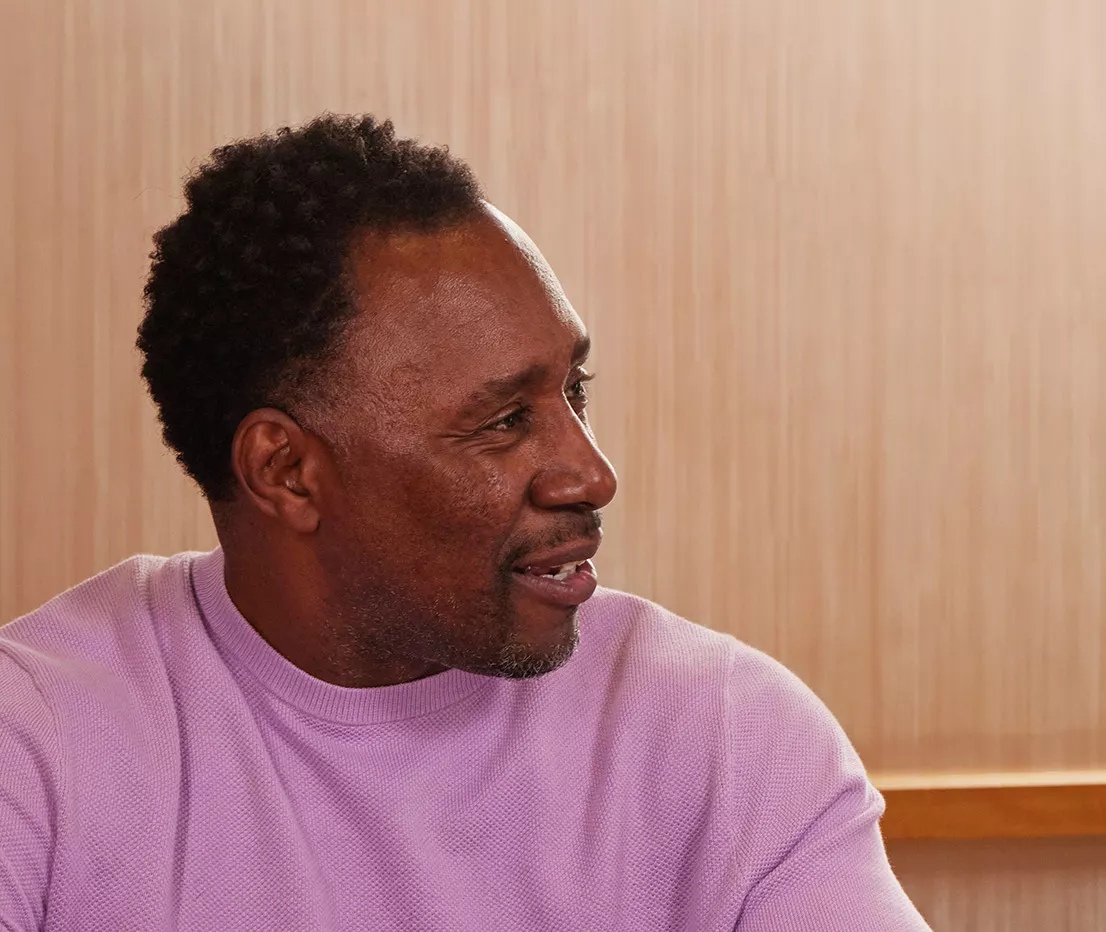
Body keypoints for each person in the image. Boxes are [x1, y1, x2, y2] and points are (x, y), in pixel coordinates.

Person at [0, 115, 931, 931]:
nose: (592, 476)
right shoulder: (36, 746)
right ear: (286, 472)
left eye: (574, 390)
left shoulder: (729, 738)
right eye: (501, 422)